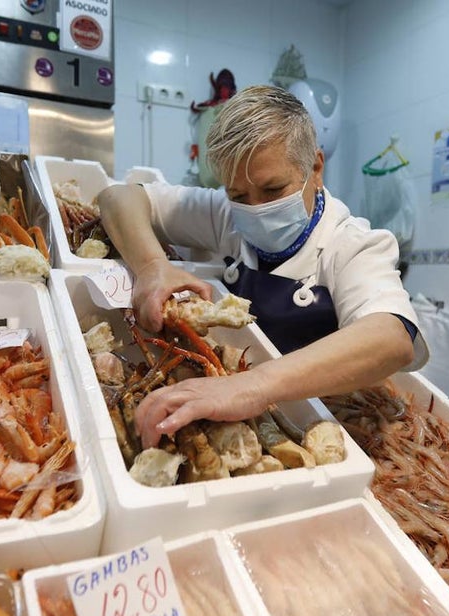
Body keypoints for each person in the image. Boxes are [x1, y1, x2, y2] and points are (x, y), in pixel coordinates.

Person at [99, 84, 428, 450]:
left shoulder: (353, 244)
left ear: (315, 168)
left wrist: (251, 387)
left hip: (327, 427)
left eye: (273, 191)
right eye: (239, 195)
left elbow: (392, 338)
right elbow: (118, 197)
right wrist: (151, 266)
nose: (255, 209)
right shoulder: (225, 216)